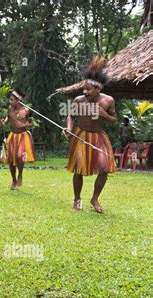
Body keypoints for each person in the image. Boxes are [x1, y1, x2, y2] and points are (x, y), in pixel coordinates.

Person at [63, 56, 117, 213]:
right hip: (81, 135)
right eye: (83, 89)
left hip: (99, 137)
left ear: (98, 89)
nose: (85, 92)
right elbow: (71, 116)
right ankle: (77, 199)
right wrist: (68, 128)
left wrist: (104, 115)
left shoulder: (108, 101)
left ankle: (94, 198)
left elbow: (114, 119)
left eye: (88, 89)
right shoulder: (79, 100)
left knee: (104, 169)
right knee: (78, 169)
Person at [0, 87, 36, 189]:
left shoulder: (26, 111)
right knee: (11, 160)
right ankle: (13, 180)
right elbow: (8, 118)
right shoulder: (10, 109)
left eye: (12, 100)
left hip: (23, 136)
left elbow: (31, 124)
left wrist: (24, 125)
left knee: (20, 156)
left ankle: (20, 174)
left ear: (19, 100)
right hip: (13, 136)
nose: (10, 101)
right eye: (10, 99)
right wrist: (4, 122)